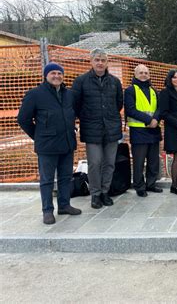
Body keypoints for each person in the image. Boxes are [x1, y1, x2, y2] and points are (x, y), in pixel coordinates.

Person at [18, 62, 81, 225]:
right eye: (53, 73)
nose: (57, 76)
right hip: (47, 146)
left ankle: (64, 205)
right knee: (46, 180)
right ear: (46, 75)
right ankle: (47, 211)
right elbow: (23, 119)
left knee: (66, 177)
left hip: (67, 143)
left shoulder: (69, 94)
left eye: (59, 73)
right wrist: (38, 136)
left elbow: (72, 114)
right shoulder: (35, 94)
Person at [72, 48, 123, 209]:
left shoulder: (115, 82)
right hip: (92, 129)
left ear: (107, 62)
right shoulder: (81, 81)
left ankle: (105, 192)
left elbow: (118, 103)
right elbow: (76, 104)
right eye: (97, 60)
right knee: (95, 163)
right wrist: (87, 117)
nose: (100, 63)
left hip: (111, 129)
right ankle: (95, 194)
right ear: (91, 62)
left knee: (109, 163)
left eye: (103, 60)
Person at [124, 64, 163, 198]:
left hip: (154, 130)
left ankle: (151, 184)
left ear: (149, 75)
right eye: (140, 72)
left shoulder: (153, 90)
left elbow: (159, 108)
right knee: (139, 161)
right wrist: (149, 120)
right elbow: (130, 110)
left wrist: (156, 119)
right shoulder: (130, 90)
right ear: (135, 75)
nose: (144, 75)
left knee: (153, 161)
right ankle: (139, 186)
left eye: (146, 73)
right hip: (139, 131)